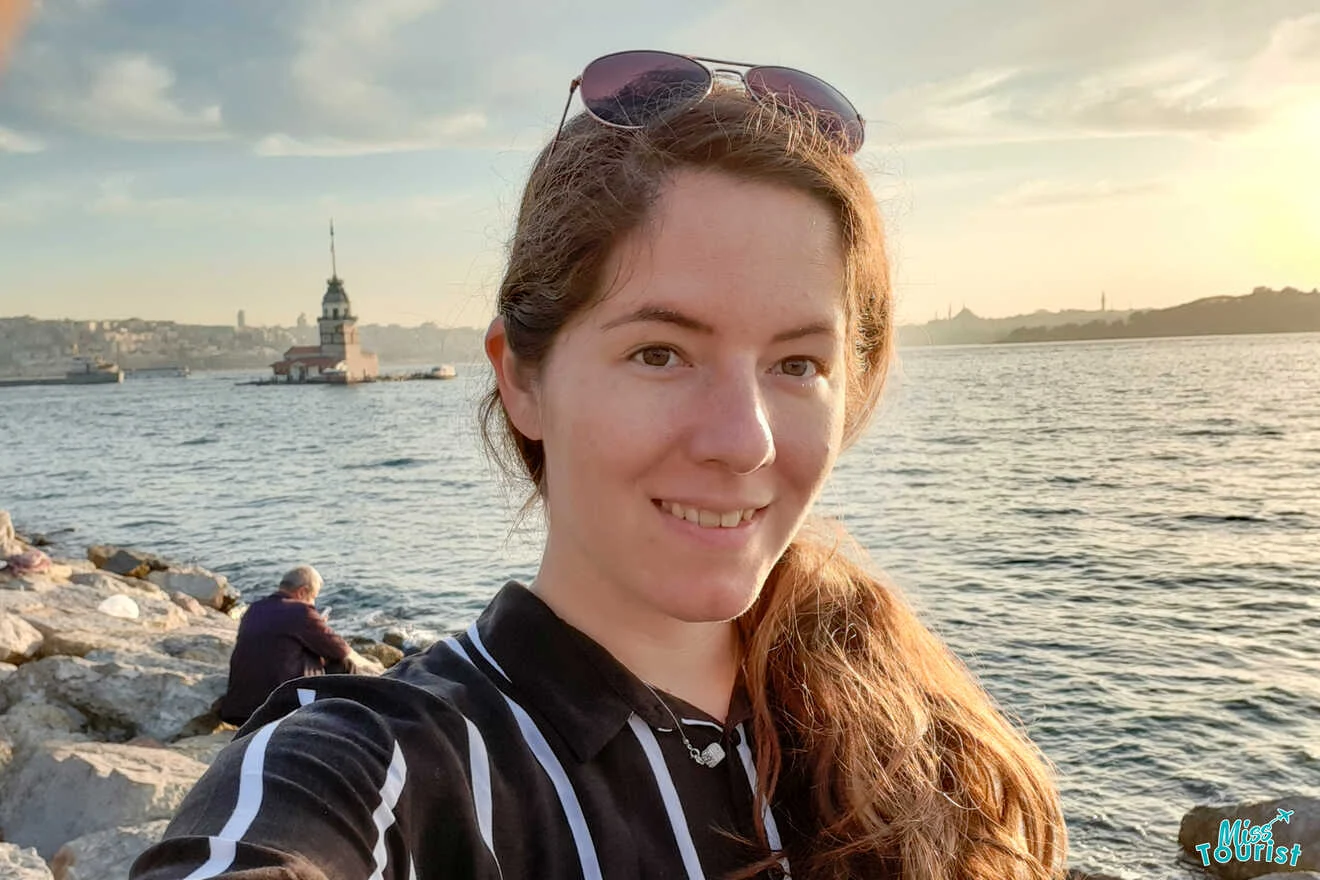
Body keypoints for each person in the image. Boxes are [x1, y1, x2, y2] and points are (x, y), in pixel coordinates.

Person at [133, 50, 1068, 880]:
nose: (743, 440)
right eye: (661, 352)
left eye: (797, 364)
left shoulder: (920, 742)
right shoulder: (383, 766)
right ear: (523, 379)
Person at [217, 564, 360, 726]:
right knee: (343, 664)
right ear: (302, 591)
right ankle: (347, 722)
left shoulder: (254, 609)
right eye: (313, 597)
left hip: (239, 710)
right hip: (280, 710)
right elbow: (340, 650)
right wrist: (317, 624)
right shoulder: (301, 611)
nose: (313, 604)